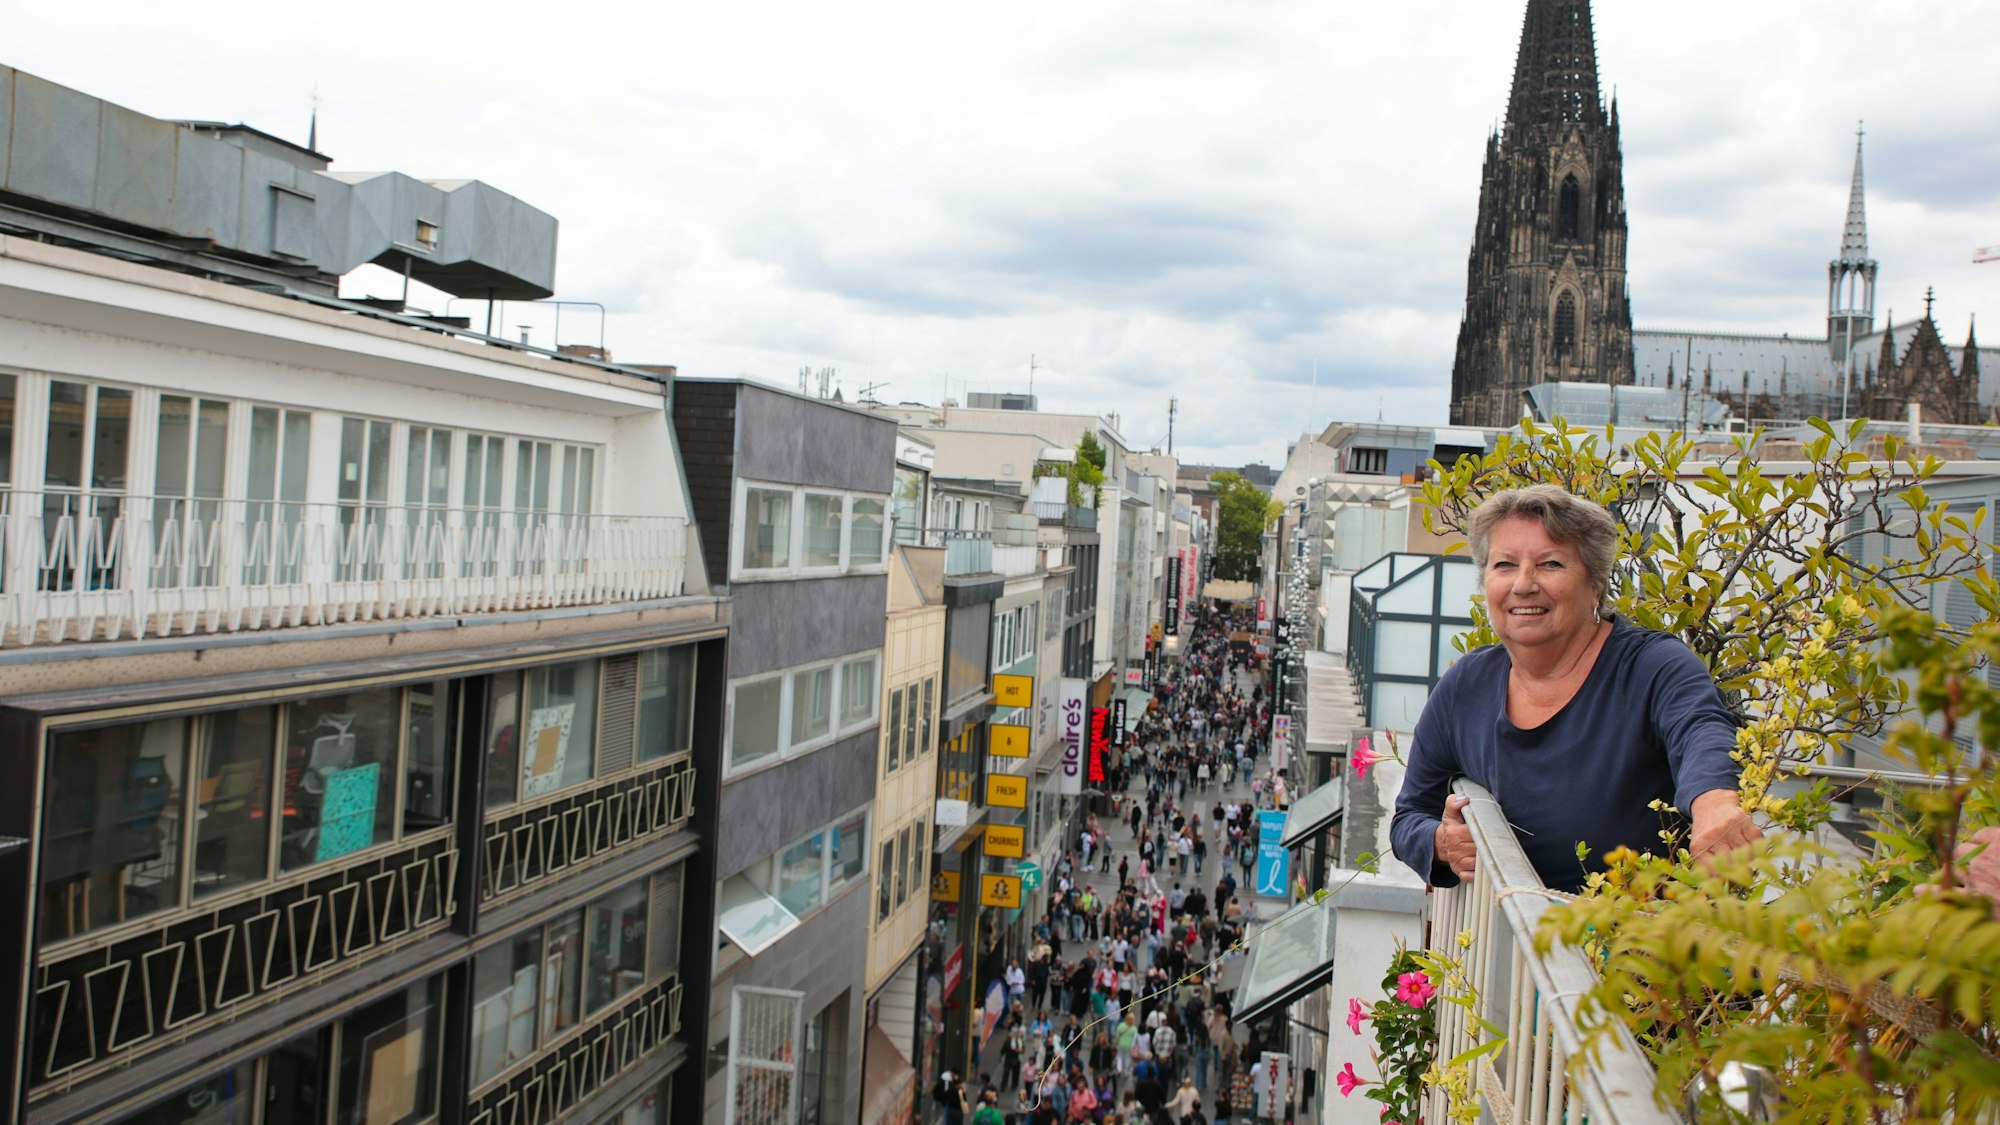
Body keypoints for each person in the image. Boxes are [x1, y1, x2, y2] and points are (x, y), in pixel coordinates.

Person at [1390, 485, 1762, 894]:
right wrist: (1442, 843)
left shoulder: (1651, 666)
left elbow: (1701, 729)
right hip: (1516, 945)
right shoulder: (1466, 685)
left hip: (1637, 941)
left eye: (1550, 564)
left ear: (1596, 584)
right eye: (1504, 565)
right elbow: (1410, 815)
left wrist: (1714, 804)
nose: (1524, 584)